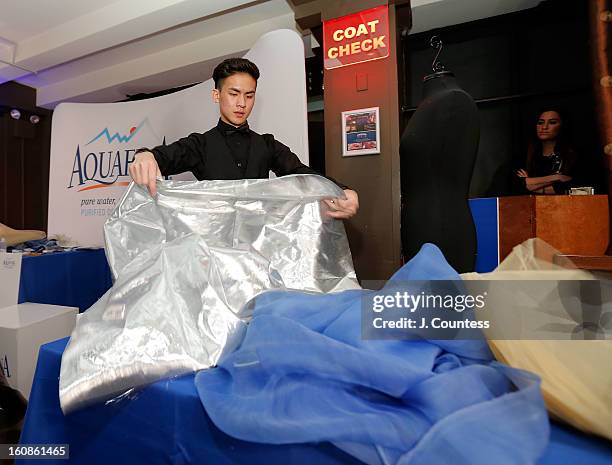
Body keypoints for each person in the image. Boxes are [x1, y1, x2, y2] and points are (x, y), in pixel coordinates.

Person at [129, 58, 358, 219]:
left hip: (259, 247)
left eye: (249, 96)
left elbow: (299, 172)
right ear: (216, 95)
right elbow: (165, 156)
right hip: (213, 253)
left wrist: (341, 190)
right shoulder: (200, 145)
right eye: (234, 94)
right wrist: (145, 156)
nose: (242, 103)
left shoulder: (267, 144)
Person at [516, 108, 576, 194]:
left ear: (563, 125)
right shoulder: (524, 158)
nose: (544, 127)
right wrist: (556, 177)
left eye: (552, 122)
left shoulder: (571, 157)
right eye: (540, 123)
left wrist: (530, 183)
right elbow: (517, 185)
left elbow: (572, 188)